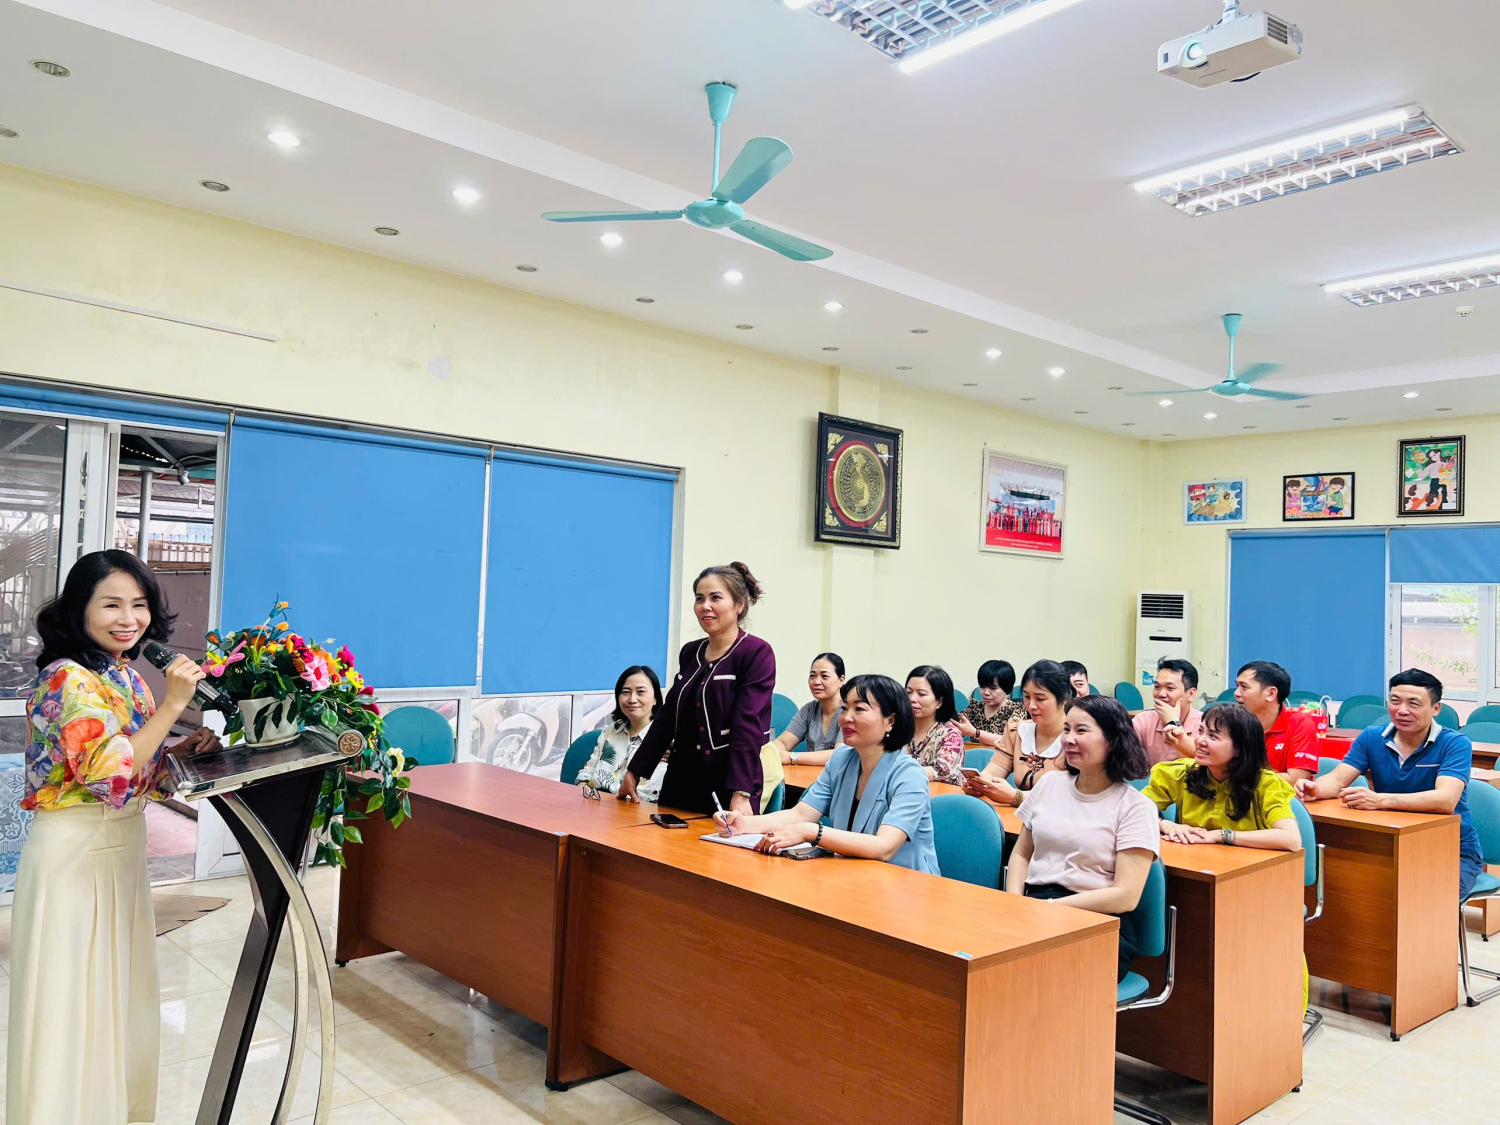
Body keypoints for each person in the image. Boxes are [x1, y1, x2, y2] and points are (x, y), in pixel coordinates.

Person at [8, 550, 219, 1124]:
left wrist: (179, 749)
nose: (129, 619)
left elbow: (137, 768)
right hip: (74, 855)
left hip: (121, 849)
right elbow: (107, 773)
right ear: (79, 609)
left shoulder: (122, 674)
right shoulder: (66, 678)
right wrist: (174, 705)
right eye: (111, 605)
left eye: (139, 604)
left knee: (117, 996)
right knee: (72, 1002)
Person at [715, 674, 938, 872]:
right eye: (845, 708)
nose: (846, 717)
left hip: (905, 885)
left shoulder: (910, 775)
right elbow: (800, 814)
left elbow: (884, 847)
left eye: (859, 709)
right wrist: (743, 825)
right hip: (853, 873)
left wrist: (813, 832)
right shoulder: (841, 760)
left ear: (891, 721)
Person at [1007, 694, 1158, 981]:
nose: (1068, 739)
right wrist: (1015, 904)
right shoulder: (1050, 783)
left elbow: (1125, 896)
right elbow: (1021, 854)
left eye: (1081, 730)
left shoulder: (1135, 807)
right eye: (1066, 729)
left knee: (1023, 972)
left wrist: (1049, 910)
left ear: (1113, 740)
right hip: (1036, 907)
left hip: (1097, 920)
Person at [1297, 668, 1484, 899]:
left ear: (1436, 708)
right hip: (1391, 840)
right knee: (1357, 888)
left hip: (1450, 847)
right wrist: (1316, 789)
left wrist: (1379, 800)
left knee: (1431, 899)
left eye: (1413, 703)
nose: (1402, 710)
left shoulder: (1454, 743)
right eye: (1395, 701)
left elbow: (1445, 800)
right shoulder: (1372, 737)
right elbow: (1337, 779)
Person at [622, 562, 774, 816]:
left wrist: (741, 793)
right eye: (699, 598)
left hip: (730, 782)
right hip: (681, 779)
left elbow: (747, 726)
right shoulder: (690, 652)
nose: (705, 606)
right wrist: (635, 770)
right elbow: (668, 717)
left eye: (716, 598)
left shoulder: (756, 653)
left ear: (739, 605)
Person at [1143, 703, 1301, 852]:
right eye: (1200, 731)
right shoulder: (1178, 773)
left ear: (1239, 749)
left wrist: (1220, 835)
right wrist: (1164, 824)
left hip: (1248, 866)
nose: (1200, 741)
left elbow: (1291, 839)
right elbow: (1133, 811)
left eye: (1212, 736)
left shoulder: (1266, 784)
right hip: (1194, 862)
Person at [963, 660, 1073, 808]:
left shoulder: (1076, 739)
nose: (1031, 706)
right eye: (1027, 697)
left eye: (1040, 699)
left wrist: (1016, 797)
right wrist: (979, 783)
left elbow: (1068, 794)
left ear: (1064, 698)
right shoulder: (1017, 731)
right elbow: (995, 768)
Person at [575, 666, 666, 799]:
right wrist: (583, 790)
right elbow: (587, 774)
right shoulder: (612, 730)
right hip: (595, 802)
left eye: (640, 692)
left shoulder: (664, 739)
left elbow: (648, 794)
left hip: (634, 807)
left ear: (655, 698)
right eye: (625, 692)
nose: (632, 699)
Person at [1234, 660, 1317, 783]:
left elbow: (1295, 781)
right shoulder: (1233, 721)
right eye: (1237, 686)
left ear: (1271, 694)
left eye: (1244, 687)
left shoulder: (1300, 724)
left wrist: (1238, 774)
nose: (1236, 693)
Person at [774, 652, 846, 767]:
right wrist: (774, 751)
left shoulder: (849, 712)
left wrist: (791, 757)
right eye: (812, 676)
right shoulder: (809, 710)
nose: (816, 682)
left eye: (824, 676)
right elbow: (782, 743)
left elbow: (839, 755)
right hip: (810, 776)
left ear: (841, 680)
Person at [1133, 657, 1202, 769]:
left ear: (1191, 694)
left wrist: (1173, 723)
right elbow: (1123, 751)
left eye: (1170, 688)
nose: (1160, 694)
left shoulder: (1205, 723)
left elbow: (1202, 757)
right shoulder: (1143, 720)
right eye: (1157, 687)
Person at [904, 664, 964, 785]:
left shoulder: (950, 734)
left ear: (939, 702)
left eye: (921, 694)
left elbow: (943, 772)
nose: (912, 699)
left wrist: (896, 773)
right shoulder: (898, 729)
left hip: (939, 794)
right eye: (908, 692)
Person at [955, 659, 1026, 750]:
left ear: (1006, 688)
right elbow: (957, 727)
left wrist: (975, 732)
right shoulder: (975, 707)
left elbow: (1010, 741)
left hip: (1002, 757)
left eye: (993, 688)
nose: (986, 692)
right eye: (982, 687)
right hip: (977, 756)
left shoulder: (1017, 710)